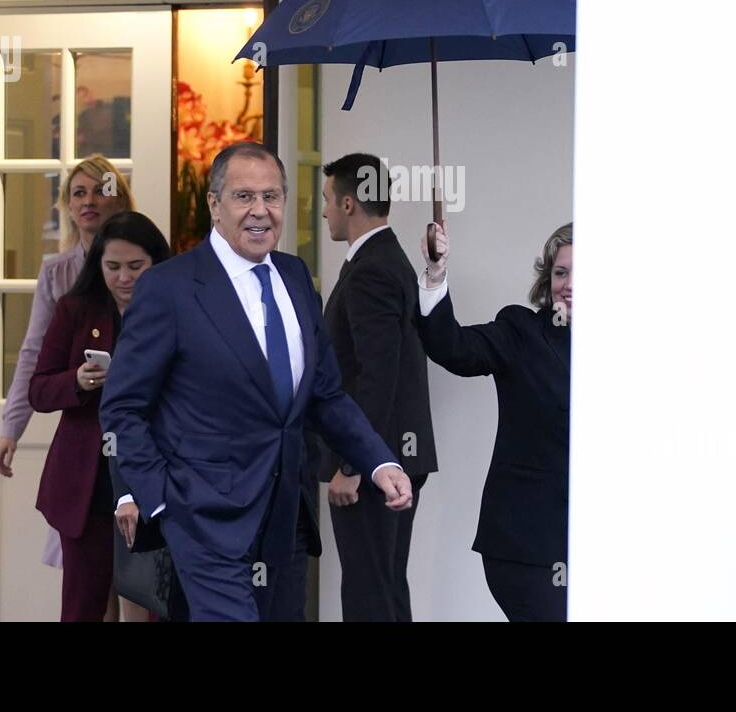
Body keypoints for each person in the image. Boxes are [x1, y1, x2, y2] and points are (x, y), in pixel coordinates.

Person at [100, 141, 415, 621]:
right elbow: (123, 407)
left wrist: (377, 461)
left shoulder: (293, 276)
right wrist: (160, 502)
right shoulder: (170, 288)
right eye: (244, 197)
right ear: (214, 205)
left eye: (272, 196)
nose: (260, 211)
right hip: (203, 520)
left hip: (286, 519)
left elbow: (325, 394)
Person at [0, 153, 144, 621]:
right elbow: (35, 356)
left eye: (101, 190)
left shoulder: (147, 266)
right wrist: (10, 429)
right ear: (67, 205)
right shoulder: (59, 274)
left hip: (139, 453)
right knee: (88, 590)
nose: (90, 201)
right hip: (85, 454)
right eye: (78, 193)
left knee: (139, 590)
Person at [416, 220, 572, 622]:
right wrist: (436, 274)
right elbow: (452, 347)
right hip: (526, 548)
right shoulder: (522, 331)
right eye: (560, 272)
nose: (569, 284)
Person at [29, 211, 170, 621]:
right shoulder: (76, 309)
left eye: (135, 267)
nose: (123, 278)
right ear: (98, 266)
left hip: (155, 474)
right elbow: (39, 389)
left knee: (156, 601)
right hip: (87, 482)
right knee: (84, 603)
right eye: (112, 267)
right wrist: (78, 380)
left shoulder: (176, 309)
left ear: (156, 264)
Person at [317, 153, 437, 621]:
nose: (324, 210)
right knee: (384, 585)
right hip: (395, 453)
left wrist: (355, 463)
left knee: (369, 591)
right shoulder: (388, 258)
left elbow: (378, 374)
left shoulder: (371, 269)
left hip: (377, 461)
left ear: (349, 203)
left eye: (327, 200)